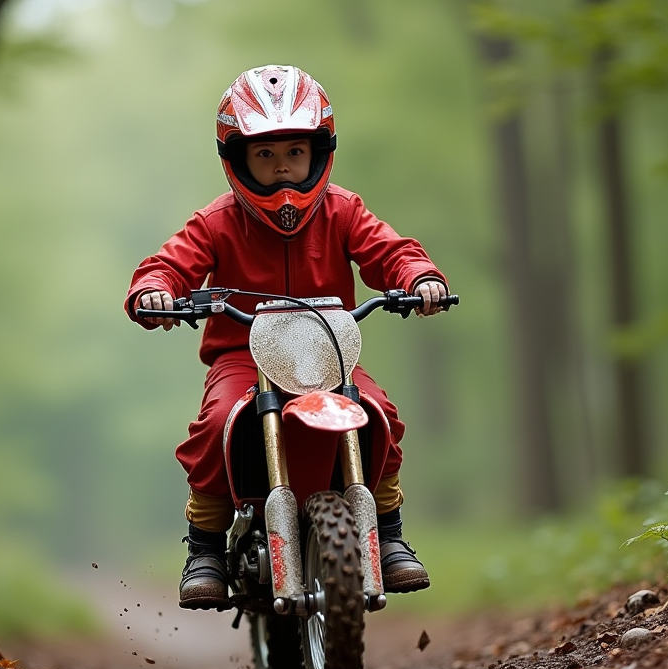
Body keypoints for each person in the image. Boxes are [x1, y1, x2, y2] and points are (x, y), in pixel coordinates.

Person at [125, 64, 450, 610]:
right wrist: (155, 291)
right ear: (238, 159)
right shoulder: (216, 222)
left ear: (319, 153)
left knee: (379, 412)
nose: (282, 172)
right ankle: (204, 547)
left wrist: (418, 277)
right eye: (266, 156)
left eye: (294, 154)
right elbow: (167, 265)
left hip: (331, 353)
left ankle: (388, 532)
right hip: (241, 356)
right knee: (214, 424)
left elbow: (389, 250)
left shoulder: (342, 209)